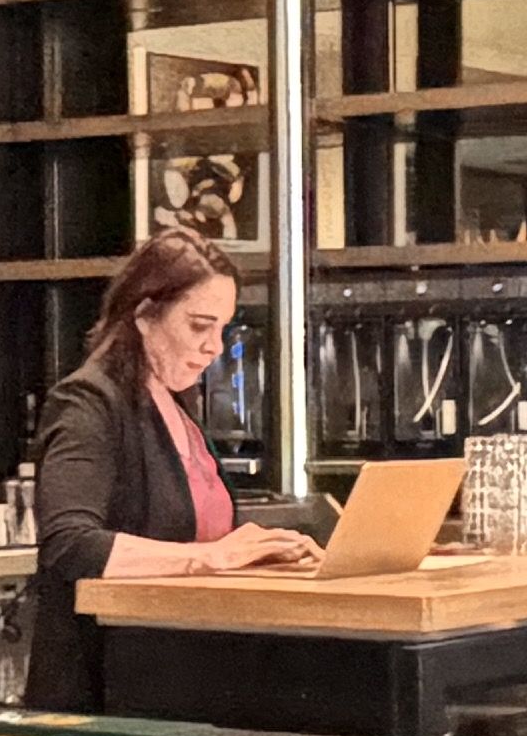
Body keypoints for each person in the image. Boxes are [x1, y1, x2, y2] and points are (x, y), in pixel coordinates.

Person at [23, 228, 311, 708]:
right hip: (104, 692)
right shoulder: (87, 402)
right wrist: (211, 556)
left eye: (222, 328)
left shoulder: (178, 407)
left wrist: (262, 548)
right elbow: (69, 544)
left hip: (178, 671)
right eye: (200, 326)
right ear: (144, 315)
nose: (216, 347)